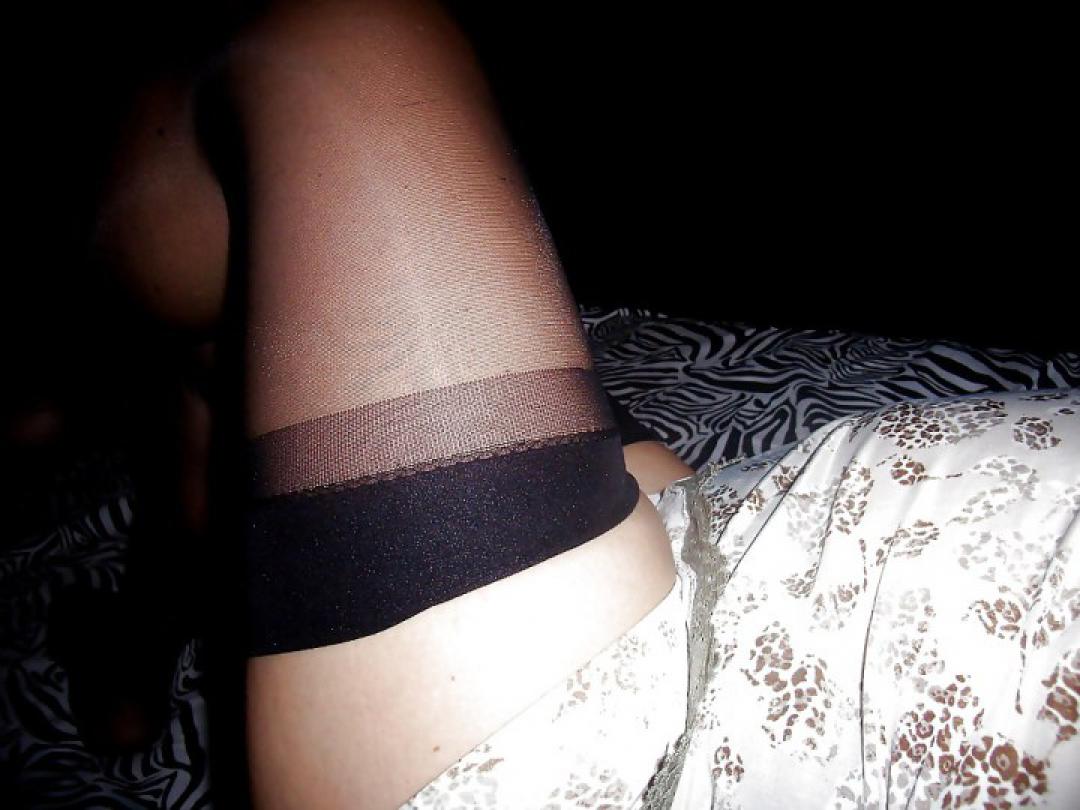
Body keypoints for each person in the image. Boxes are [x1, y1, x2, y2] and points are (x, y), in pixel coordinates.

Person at [87, 1, 1080, 807]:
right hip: (759, 568)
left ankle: (106, 423)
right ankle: (186, 499)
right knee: (319, 336)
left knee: (331, 37)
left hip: (627, 741)